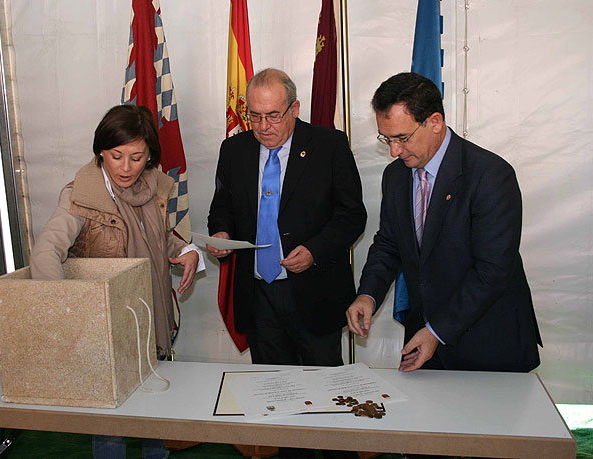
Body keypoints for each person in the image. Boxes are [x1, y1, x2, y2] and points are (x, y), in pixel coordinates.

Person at [207, 68, 366, 459]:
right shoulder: (235, 149)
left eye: (273, 115)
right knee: (279, 397)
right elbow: (222, 207)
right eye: (255, 116)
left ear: (294, 108)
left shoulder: (329, 145)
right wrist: (222, 234)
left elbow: (352, 216)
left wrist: (315, 250)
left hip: (315, 292)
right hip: (259, 294)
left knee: (328, 397)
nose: (263, 126)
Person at [30, 104, 203, 459]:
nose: (126, 168)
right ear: (101, 152)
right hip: (107, 329)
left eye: (137, 157)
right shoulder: (81, 196)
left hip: (152, 321)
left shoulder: (153, 187)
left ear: (149, 155)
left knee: (155, 418)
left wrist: (187, 250)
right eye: (116, 156)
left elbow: (157, 238)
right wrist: (68, 312)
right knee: (111, 428)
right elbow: (45, 254)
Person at [347, 72, 542, 374]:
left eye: (402, 138)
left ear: (435, 122)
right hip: (424, 343)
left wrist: (437, 331)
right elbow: (389, 243)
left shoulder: (489, 176)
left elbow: (492, 271)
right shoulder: (396, 176)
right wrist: (368, 294)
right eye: (387, 138)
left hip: (488, 344)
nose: (394, 151)